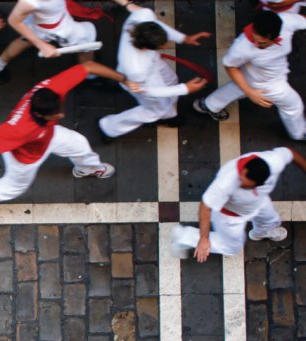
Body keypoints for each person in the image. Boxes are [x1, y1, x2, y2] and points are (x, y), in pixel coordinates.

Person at [0, 62, 129, 225]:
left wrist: (123, 79)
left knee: (78, 143)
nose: (61, 115)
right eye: (55, 115)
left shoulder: (53, 88)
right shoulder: (20, 129)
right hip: (24, 157)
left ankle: (87, 168)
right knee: (9, 190)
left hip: (47, 137)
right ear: (39, 115)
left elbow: (87, 66)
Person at [98, 0, 209, 141]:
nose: (164, 45)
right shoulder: (136, 69)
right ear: (145, 48)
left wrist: (183, 38)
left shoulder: (143, 16)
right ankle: (109, 127)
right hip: (139, 81)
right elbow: (149, 91)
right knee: (154, 110)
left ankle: (169, 113)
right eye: (161, 45)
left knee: (171, 80)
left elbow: (157, 25)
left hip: (153, 64)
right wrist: (184, 89)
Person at [171, 146, 306, 261]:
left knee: (271, 220)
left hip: (259, 201)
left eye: (245, 185)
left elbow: (290, 153)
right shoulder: (226, 182)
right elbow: (206, 206)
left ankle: (262, 232)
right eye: (241, 177)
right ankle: (184, 236)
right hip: (230, 216)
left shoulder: (274, 161)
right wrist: (204, 239)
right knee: (232, 248)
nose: (239, 182)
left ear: (260, 184)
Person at [193, 10, 305, 141]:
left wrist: (248, 90)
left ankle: (207, 105)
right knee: (293, 105)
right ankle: (299, 133)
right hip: (269, 84)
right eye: (256, 40)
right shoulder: (241, 47)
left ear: (276, 36)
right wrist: (251, 93)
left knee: (238, 87)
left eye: (263, 43)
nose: (256, 44)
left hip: (254, 74)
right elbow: (230, 66)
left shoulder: (287, 21)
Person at [0, 0, 109, 84]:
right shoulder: (30, 2)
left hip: (42, 20)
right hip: (56, 27)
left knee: (25, 40)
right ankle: (90, 75)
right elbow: (14, 20)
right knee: (86, 40)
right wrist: (41, 45)